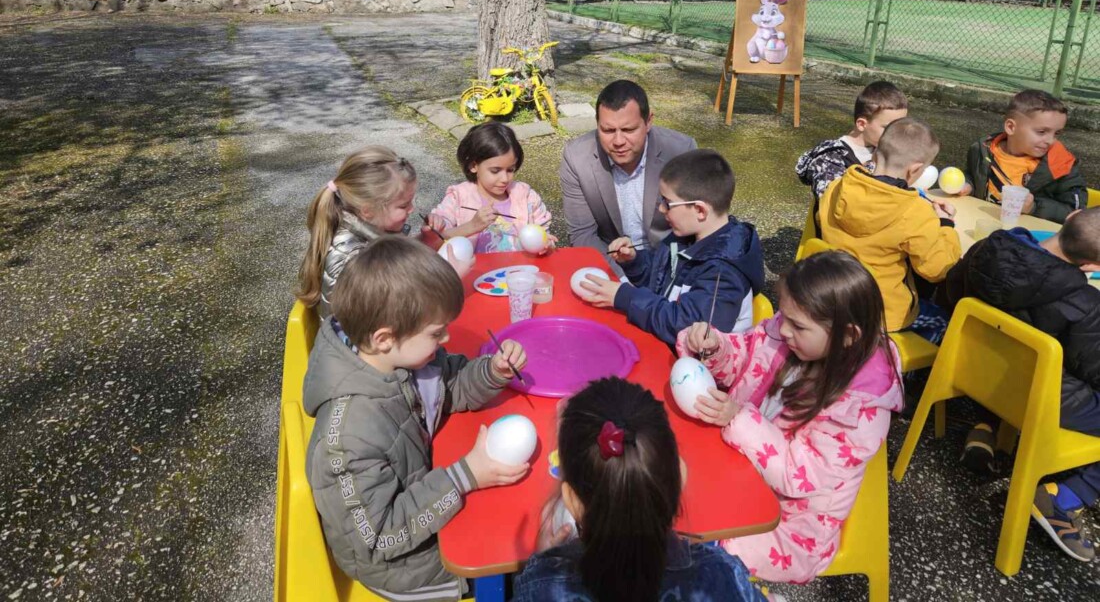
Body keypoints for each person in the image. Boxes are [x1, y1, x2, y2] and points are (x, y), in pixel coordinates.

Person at [304, 237, 530, 602]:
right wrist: (463, 476)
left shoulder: (407, 361)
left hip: (430, 494)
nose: (447, 338)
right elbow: (379, 538)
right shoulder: (348, 437)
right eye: (436, 333)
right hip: (408, 567)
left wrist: (492, 371)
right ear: (384, 338)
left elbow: (450, 385)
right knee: (523, 564)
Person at [677, 251, 903, 583]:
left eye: (797, 325)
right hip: (739, 471)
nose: (782, 329)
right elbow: (743, 356)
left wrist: (738, 418)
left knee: (694, 546)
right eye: (783, 315)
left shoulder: (858, 411)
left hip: (790, 526)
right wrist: (715, 349)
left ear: (848, 336)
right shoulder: (789, 337)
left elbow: (798, 473)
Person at [938, 208, 1100, 562]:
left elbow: (950, 292)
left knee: (1012, 342)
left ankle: (985, 425)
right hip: (1033, 397)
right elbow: (1094, 370)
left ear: (1070, 216)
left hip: (972, 371)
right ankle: (1065, 497)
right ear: (1090, 266)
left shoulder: (988, 248)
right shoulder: (1084, 303)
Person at [512, 377, 765, 602]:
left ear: (572, 502)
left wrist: (543, 560)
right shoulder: (723, 575)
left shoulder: (540, 589)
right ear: (680, 474)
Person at [580, 149, 764, 348]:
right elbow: (659, 281)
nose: (661, 209)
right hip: (662, 343)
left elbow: (686, 327)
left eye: (668, 203)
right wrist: (634, 261)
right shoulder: (685, 239)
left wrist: (625, 297)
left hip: (697, 363)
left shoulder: (724, 273)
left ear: (700, 210)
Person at [818, 117, 961, 341]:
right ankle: (895, 361)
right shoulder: (915, 212)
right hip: (881, 315)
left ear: (875, 153)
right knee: (945, 322)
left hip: (828, 299)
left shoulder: (838, 186)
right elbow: (937, 269)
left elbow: (821, 219)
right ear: (915, 170)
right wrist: (946, 225)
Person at [297, 146, 468, 320]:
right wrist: (446, 283)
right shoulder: (355, 259)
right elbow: (396, 312)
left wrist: (426, 240)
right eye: (403, 205)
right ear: (368, 211)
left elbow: (401, 263)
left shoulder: (376, 229)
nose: (412, 209)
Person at [559, 80, 696, 273]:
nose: (618, 141)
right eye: (608, 130)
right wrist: (621, 279)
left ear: (649, 121)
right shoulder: (577, 157)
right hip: (610, 264)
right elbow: (582, 234)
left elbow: (697, 228)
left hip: (668, 264)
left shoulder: (681, 151)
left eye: (628, 130)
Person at [960, 89, 1087, 223]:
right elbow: (973, 176)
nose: (1050, 140)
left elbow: (1075, 212)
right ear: (1011, 127)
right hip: (982, 223)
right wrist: (968, 185)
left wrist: (1033, 207)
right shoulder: (983, 150)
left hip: (1029, 233)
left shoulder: (1061, 165)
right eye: (1041, 132)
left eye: (1057, 133)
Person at [431, 121, 554, 253]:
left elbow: (544, 233)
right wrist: (472, 226)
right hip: (473, 266)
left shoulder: (527, 197)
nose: (505, 179)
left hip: (522, 265)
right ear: (473, 166)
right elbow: (434, 239)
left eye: (510, 170)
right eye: (495, 171)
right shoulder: (458, 198)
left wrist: (545, 243)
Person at [795, 80, 908, 198]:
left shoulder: (886, 151)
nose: (897, 134)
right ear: (862, 124)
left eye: (901, 127)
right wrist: (874, 167)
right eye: (888, 127)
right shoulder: (829, 157)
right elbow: (834, 200)